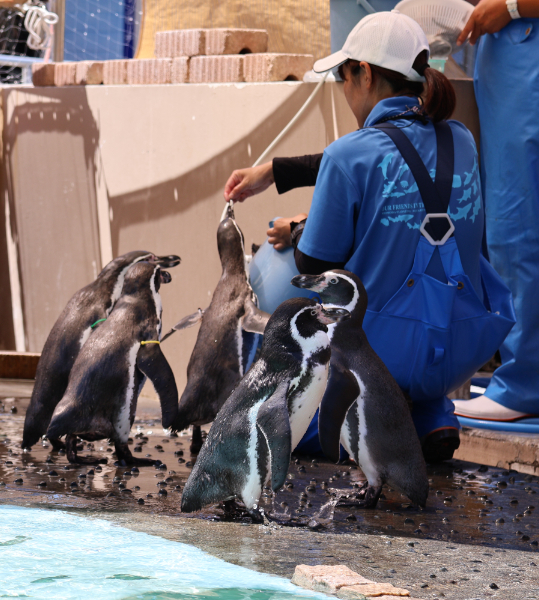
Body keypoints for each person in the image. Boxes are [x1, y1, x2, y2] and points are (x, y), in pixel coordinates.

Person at [224, 10, 500, 462]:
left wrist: (297, 230)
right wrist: (277, 171)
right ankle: (433, 413)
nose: (343, 88)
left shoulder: (350, 155)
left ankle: (378, 422)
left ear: (365, 73)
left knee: (278, 421)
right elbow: (390, 155)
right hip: (458, 344)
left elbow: (314, 263)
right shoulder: (461, 140)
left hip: (380, 352)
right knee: (421, 278)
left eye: (343, 77)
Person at [451, 0, 539, 423]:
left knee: (517, 223)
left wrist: (511, 7)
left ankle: (525, 384)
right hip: (512, 57)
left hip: (524, 53)